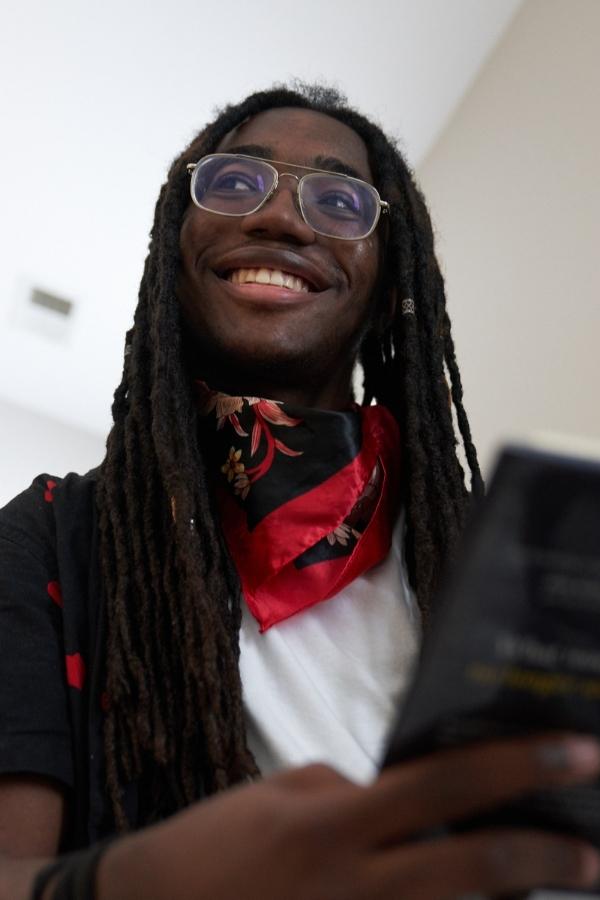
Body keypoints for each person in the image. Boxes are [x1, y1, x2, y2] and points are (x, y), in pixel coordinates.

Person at [1, 83, 600, 900]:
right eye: (237, 183)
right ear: (174, 256)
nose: (280, 218)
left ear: (390, 284)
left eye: (340, 200)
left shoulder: (493, 562)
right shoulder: (49, 540)